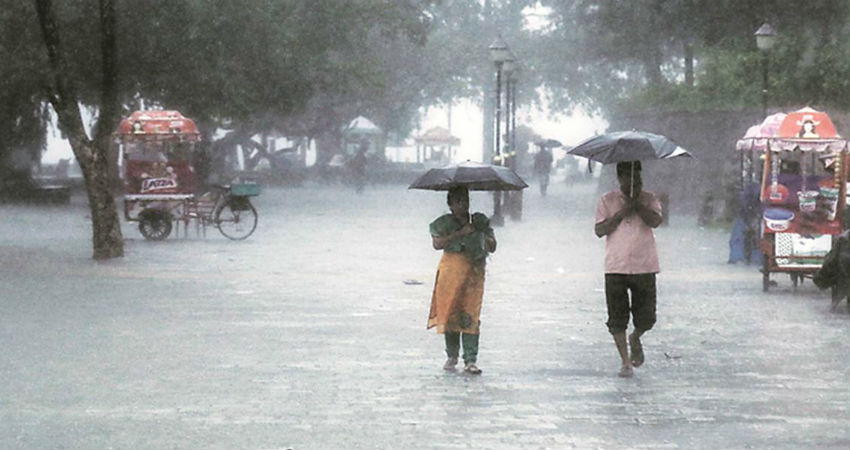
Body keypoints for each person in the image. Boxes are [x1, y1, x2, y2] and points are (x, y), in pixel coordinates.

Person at [594, 161, 663, 378]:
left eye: (638, 179)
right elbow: (599, 230)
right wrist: (622, 212)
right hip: (616, 266)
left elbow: (655, 221)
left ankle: (636, 336)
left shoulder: (649, 199)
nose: (634, 183)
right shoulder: (607, 200)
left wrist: (638, 206)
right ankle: (625, 361)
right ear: (620, 178)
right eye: (629, 179)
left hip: (645, 265)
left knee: (647, 316)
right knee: (617, 316)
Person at [427, 186, 496, 375]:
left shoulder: (479, 221)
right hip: (450, 275)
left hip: (473, 275)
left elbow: (493, 245)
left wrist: (480, 235)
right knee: (450, 313)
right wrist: (461, 233)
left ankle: (471, 359)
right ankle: (452, 355)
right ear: (450, 204)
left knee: (471, 314)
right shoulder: (443, 224)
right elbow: (437, 244)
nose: (462, 205)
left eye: (465, 200)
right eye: (457, 201)